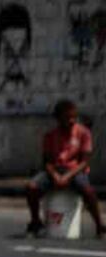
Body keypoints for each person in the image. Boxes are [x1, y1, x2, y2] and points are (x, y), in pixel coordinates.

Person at [25, 99, 103, 238]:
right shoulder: (50, 136)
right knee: (31, 187)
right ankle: (35, 221)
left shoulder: (83, 133)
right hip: (55, 170)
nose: (72, 120)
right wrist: (55, 176)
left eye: (74, 117)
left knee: (88, 190)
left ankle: (99, 225)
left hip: (75, 170)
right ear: (58, 118)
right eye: (68, 117)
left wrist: (66, 177)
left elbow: (84, 162)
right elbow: (46, 163)